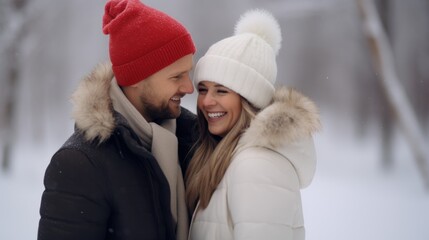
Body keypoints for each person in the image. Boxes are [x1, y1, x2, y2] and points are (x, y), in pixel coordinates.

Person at [37, 0, 198, 240]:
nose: (189, 87)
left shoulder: (189, 139)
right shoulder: (80, 164)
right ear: (135, 78)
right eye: (176, 77)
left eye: (189, 73)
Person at [185, 9, 321, 240]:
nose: (207, 101)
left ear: (249, 99)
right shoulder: (224, 155)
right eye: (203, 89)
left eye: (221, 90)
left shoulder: (257, 165)